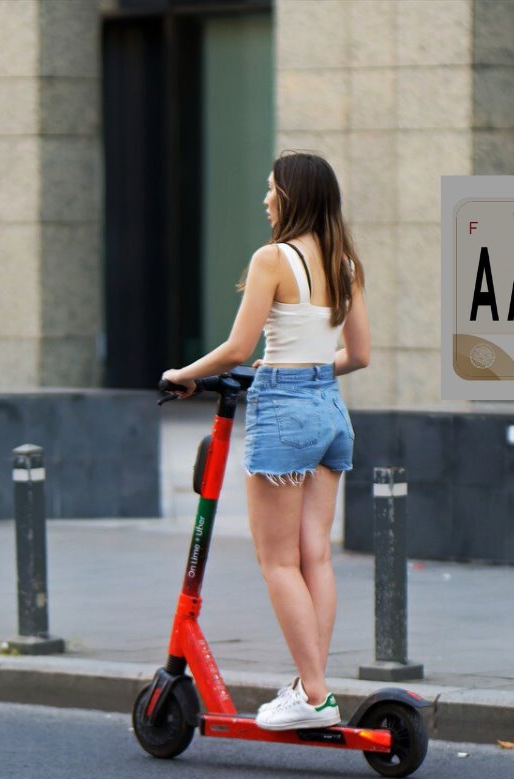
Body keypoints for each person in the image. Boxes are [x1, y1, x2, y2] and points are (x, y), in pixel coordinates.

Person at [162, 152, 370, 730]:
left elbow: (235, 348)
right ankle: (311, 687)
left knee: (278, 562)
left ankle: (315, 695)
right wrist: (306, 367)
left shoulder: (273, 258)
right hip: (330, 410)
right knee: (316, 557)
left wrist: (182, 374)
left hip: (283, 411)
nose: (265, 199)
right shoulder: (345, 262)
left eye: (271, 188)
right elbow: (358, 356)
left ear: (294, 196)